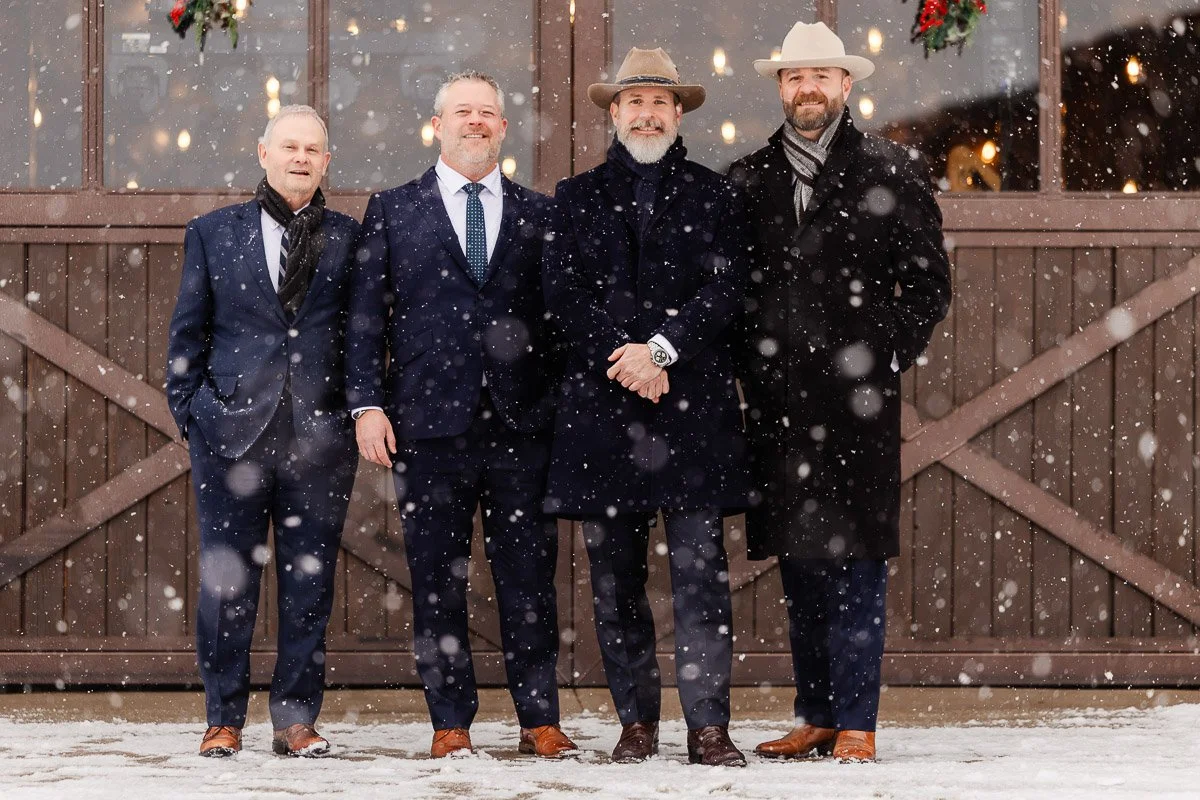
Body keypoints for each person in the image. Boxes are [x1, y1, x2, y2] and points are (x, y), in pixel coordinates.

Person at [729, 22, 952, 763]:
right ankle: (818, 713)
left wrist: (878, 356)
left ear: (847, 84)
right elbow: (732, 294)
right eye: (795, 77)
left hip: (856, 409)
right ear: (780, 88)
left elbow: (926, 286)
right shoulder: (747, 180)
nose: (809, 88)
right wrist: (748, 366)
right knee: (800, 564)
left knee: (856, 562)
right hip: (778, 407)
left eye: (822, 74)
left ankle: (858, 720)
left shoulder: (890, 169)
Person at [346, 71, 576, 760]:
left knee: (529, 580)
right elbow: (364, 321)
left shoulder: (541, 215)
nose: (475, 123)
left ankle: (540, 718)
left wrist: (561, 406)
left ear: (504, 129)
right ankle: (451, 721)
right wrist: (366, 404)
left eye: (488, 114)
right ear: (437, 126)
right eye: (462, 113)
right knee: (437, 579)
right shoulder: (393, 210)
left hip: (521, 426)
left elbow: (562, 324)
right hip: (428, 426)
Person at [543, 47, 750, 767]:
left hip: (691, 413)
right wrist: (629, 360)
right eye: (635, 101)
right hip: (605, 416)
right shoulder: (574, 198)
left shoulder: (717, 195)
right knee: (615, 582)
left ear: (679, 111)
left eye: (660, 101)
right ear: (614, 111)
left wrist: (662, 351)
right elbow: (564, 298)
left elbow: (726, 293)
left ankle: (708, 729)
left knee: (700, 580)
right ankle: (636, 722)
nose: (647, 112)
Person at [166, 105, 359, 758]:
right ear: (263, 153)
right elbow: (187, 335)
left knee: (309, 587)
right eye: (289, 147)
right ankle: (224, 718)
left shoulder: (350, 237)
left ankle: (295, 720)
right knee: (228, 589)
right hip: (230, 438)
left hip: (319, 441)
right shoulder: (214, 233)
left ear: (327, 161)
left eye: (313, 149)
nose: (300, 157)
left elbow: (362, 337)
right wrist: (193, 418)